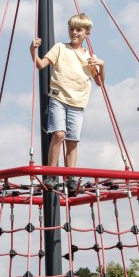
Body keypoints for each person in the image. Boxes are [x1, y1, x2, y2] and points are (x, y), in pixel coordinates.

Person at [30, 12, 105, 192]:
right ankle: (50, 174)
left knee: (72, 141)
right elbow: (40, 65)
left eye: (79, 30)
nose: (74, 33)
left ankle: (70, 177)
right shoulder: (60, 48)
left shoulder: (89, 57)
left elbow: (100, 82)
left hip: (78, 102)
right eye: (71, 29)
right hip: (59, 97)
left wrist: (101, 65)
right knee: (59, 134)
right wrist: (33, 50)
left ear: (87, 33)